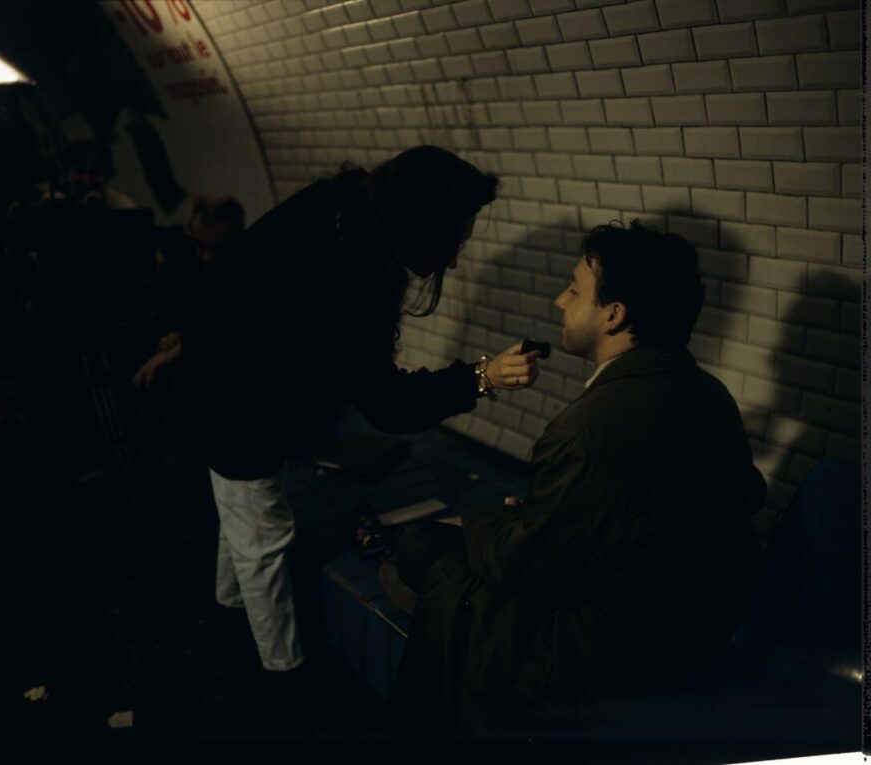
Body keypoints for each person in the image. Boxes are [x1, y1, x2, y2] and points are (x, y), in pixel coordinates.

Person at [390, 220, 767, 739]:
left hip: (610, 651)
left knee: (420, 545)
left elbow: (527, 567)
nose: (559, 301)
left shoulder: (585, 429)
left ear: (614, 315)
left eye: (574, 289)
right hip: (696, 628)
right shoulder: (710, 394)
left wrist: (487, 522)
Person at [180, 146, 542, 686]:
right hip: (235, 400)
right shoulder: (348, 274)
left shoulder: (346, 208)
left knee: (243, 515)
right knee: (263, 536)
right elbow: (389, 403)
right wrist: (480, 378)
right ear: (421, 225)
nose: (452, 262)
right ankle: (284, 674)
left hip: (227, 376)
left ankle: (228, 610)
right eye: (451, 244)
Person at [131, 194, 246, 389]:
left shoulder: (245, 272)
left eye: (218, 247)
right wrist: (169, 338)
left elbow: (227, 329)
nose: (207, 257)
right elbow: (166, 311)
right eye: (199, 245)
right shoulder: (181, 261)